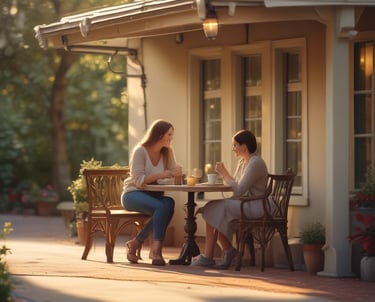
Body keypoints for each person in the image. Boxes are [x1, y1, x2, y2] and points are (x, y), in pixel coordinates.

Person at [191, 129, 268, 269]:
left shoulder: (255, 163)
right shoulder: (243, 162)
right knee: (212, 207)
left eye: (235, 145)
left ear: (244, 146)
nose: (233, 149)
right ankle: (226, 251)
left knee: (213, 208)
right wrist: (225, 175)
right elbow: (235, 184)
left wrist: (225, 173)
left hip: (255, 206)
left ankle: (217, 254)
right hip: (244, 203)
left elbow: (238, 190)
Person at [121, 119, 182, 266]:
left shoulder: (168, 151)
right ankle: (156, 252)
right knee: (164, 208)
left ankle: (136, 242)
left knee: (169, 203)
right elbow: (138, 180)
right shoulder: (140, 151)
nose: (171, 138)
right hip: (133, 194)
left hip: (154, 195)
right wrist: (161, 175)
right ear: (159, 134)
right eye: (169, 135)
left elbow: (173, 170)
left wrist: (178, 171)